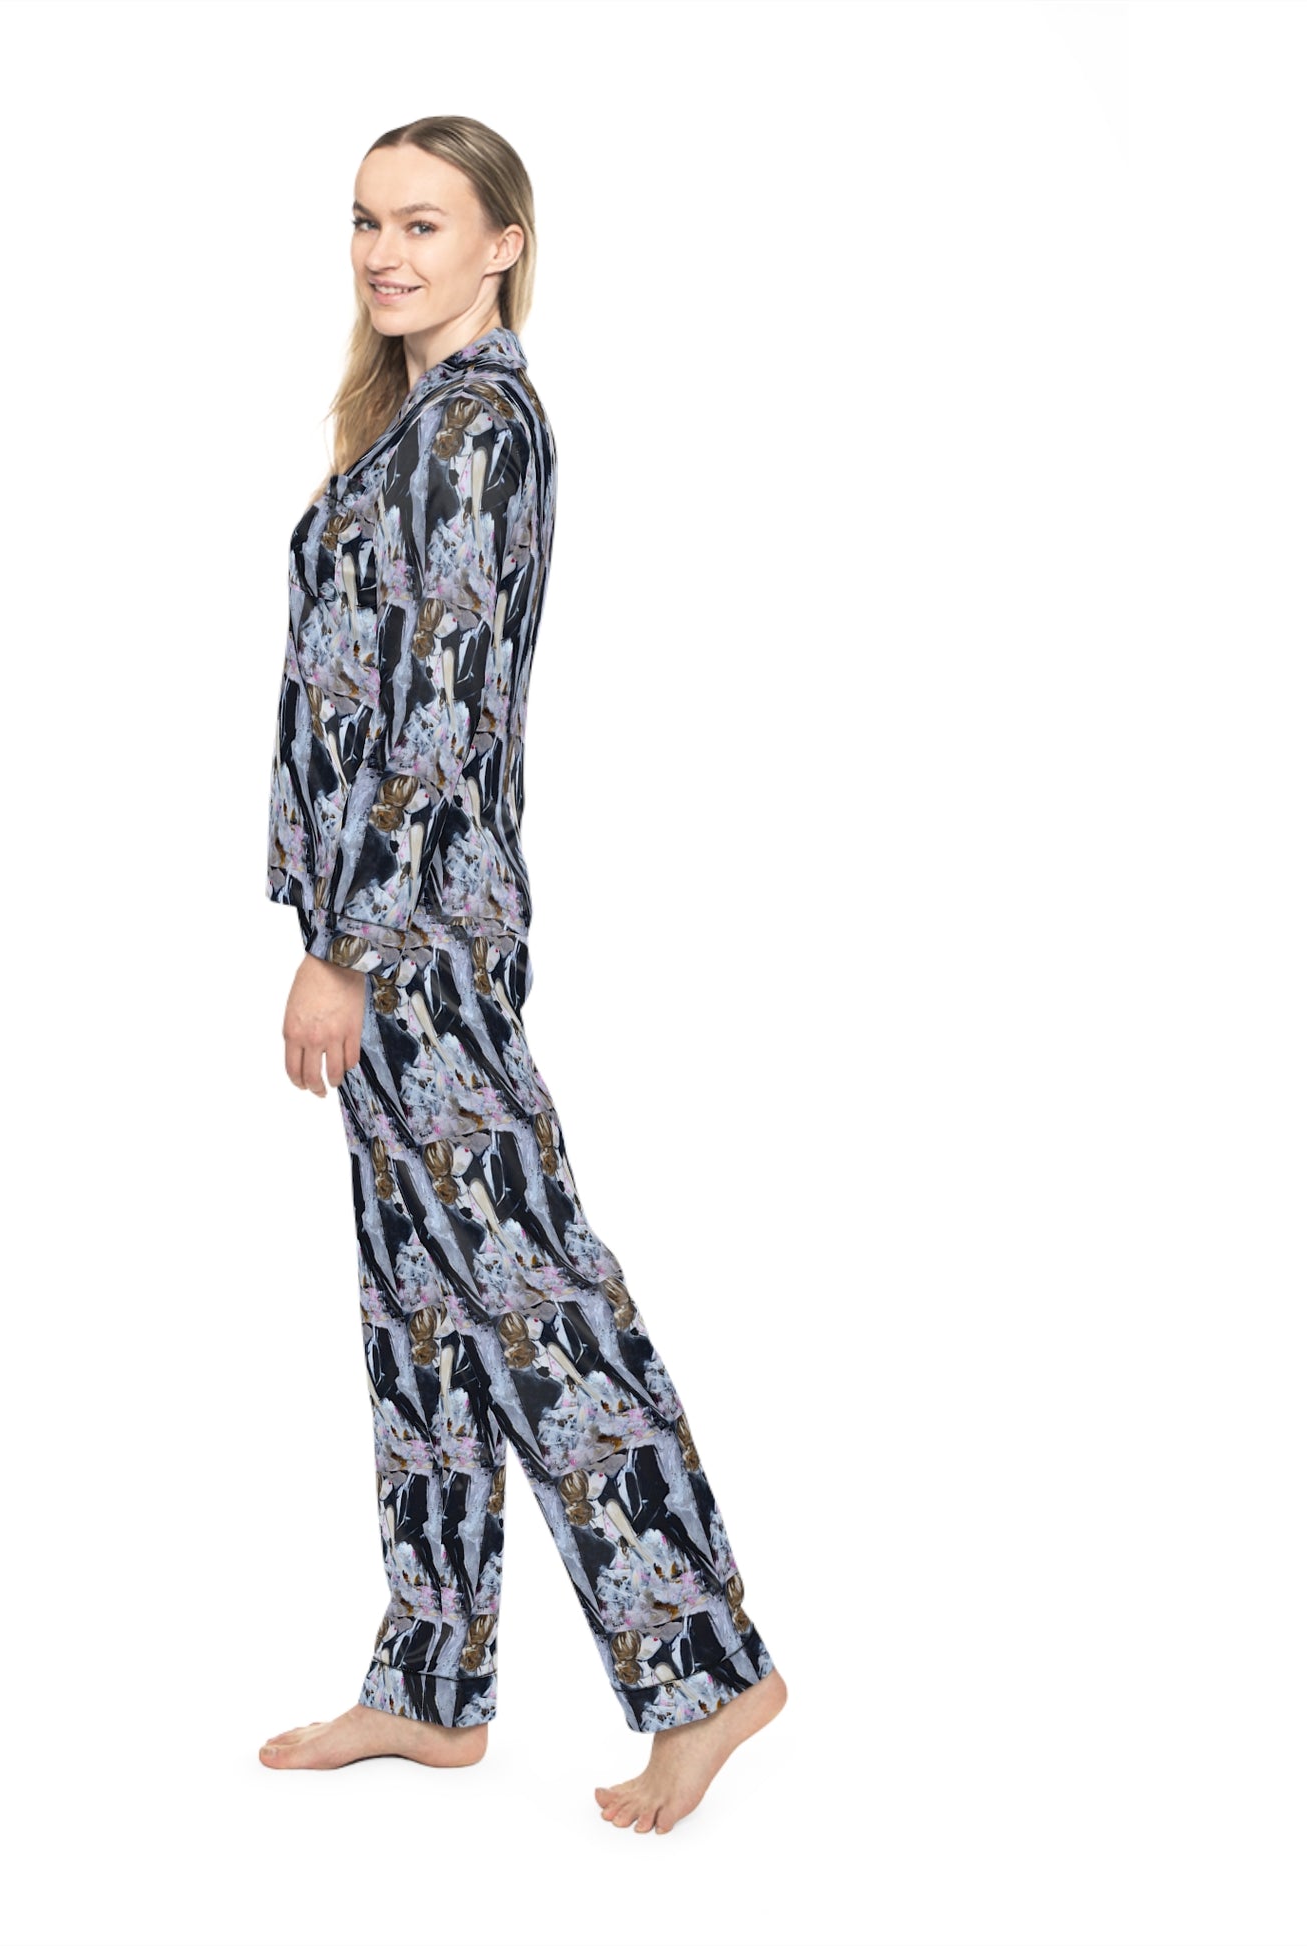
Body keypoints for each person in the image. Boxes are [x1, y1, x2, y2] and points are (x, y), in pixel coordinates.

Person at [259, 114, 787, 1835]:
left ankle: (706, 1670)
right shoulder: (409, 422)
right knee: (423, 1313)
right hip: (393, 927)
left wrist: (341, 947)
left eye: (423, 223)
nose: (383, 252)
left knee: (533, 1296)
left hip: (412, 941)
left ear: (502, 241)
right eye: (365, 221)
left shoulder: (480, 428)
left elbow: (436, 712)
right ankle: (430, 1687)